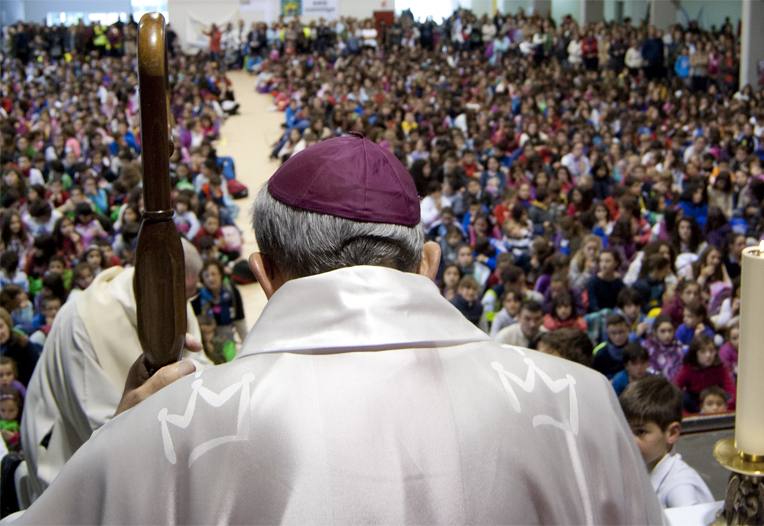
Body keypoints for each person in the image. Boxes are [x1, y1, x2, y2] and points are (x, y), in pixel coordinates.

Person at [8, 133, 664, 524]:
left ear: (264, 277)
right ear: (428, 264)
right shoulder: (580, 403)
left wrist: (114, 444)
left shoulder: (167, 431)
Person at [19, 240, 213, 503]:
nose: (184, 304)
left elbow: (198, 361)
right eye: (183, 295)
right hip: (73, 454)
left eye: (190, 296)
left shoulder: (176, 297)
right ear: (154, 280)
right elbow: (98, 424)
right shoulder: (83, 320)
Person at [619, 376, 715, 508]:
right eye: (625, 429)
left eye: (640, 432)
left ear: (672, 433)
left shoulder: (680, 487)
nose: (629, 440)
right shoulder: (643, 468)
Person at [672, 333, 736, 413]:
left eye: (711, 351)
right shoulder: (687, 369)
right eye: (703, 351)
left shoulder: (720, 367)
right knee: (683, 397)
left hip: (716, 405)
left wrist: (723, 409)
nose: (708, 355)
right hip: (695, 407)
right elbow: (672, 393)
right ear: (695, 354)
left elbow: (732, 393)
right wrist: (687, 416)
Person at [643, 316, 685, 382]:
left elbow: (681, 370)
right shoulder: (648, 347)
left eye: (670, 330)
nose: (667, 335)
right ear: (655, 332)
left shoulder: (678, 346)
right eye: (663, 331)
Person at [592, 313, 630, 379]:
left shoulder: (635, 349)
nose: (617, 337)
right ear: (607, 333)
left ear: (628, 330)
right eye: (613, 333)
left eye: (621, 332)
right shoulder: (600, 353)